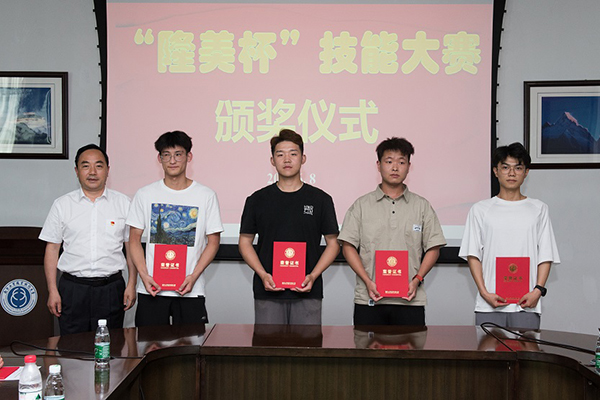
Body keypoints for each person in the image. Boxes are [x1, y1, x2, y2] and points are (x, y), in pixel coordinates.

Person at [338, 137, 446, 326]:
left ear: (409, 166)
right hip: (369, 298)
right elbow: (348, 246)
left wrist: (417, 280)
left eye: (401, 162)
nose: (395, 167)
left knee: (412, 346)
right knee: (365, 346)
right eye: (389, 161)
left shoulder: (422, 206)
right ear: (378, 165)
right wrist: (367, 281)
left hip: (410, 299)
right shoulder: (361, 205)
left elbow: (433, 247)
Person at [239, 129, 340, 325]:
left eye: (293, 154)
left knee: (308, 345)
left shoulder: (321, 199)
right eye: (280, 154)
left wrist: (313, 275)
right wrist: (262, 274)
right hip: (268, 290)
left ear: (303, 158)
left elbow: (333, 243)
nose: (287, 159)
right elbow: (245, 241)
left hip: (308, 290)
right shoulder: (257, 199)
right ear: (272, 160)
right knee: (267, 344)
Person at [459, 142, 559, 330]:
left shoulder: (539, 209)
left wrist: (537, 291)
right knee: (487, 349)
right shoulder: (480, 209)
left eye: (518, 168)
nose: (511, 173)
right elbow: (473, 255)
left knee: (527, 349)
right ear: (495, 171)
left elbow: (546, 255)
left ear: (526, 172)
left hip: (527, 304)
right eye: (505, 167)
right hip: (489, 304)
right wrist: (484, 293)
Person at [127, 131, 223, 326]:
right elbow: (134, 239)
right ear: (159, 159)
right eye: (166, 155)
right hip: (151, 290)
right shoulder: (145, 194)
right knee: (148, 343)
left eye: (178, 154)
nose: (172, 160)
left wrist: (193, 277)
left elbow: (213, 242)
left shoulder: (206, 195)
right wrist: (144, 276)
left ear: (189, 157)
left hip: (190, 290)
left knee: (191, 344)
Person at [39, 144, 136, 335]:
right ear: (77, 171)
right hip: (72, 290)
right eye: (85, 166)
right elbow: (52, 249)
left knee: (110, 345)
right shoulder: (62, 205)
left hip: (111, 289)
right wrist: (52, 290)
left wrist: (132, 284)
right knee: (72, 347)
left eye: (99, 166)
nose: (92, 172)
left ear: (108, 170)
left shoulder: (124, 204)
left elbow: (131, 248)